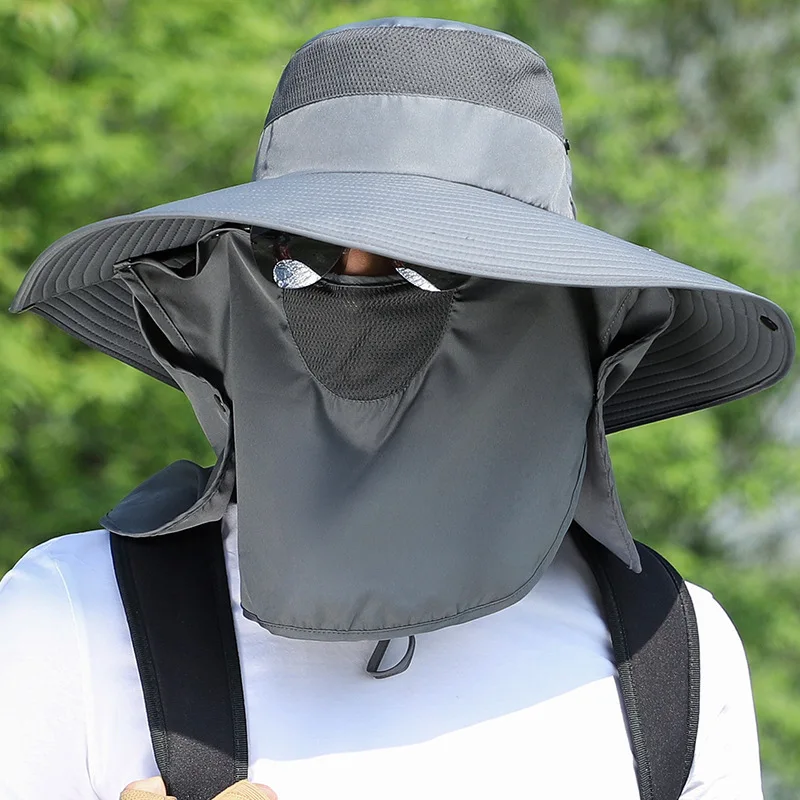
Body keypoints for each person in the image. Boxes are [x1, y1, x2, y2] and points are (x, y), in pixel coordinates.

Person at [0, 16, 795, 800]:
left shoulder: (668, 656)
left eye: (423, 259)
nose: (353, 287)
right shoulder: (76, 616)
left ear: (559, 310)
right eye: (305, 253)